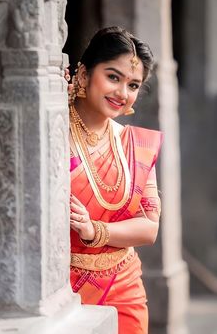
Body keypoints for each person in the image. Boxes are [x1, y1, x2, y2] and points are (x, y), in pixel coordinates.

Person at [68, 26, 163, 334]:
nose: (123, 93)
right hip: (62, 290)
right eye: (113, 77)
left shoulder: (135, 144)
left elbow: (149, 227)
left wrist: (94, 230)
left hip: (124, 289)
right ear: (84, 73)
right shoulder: (53, 132)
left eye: (133, 84)